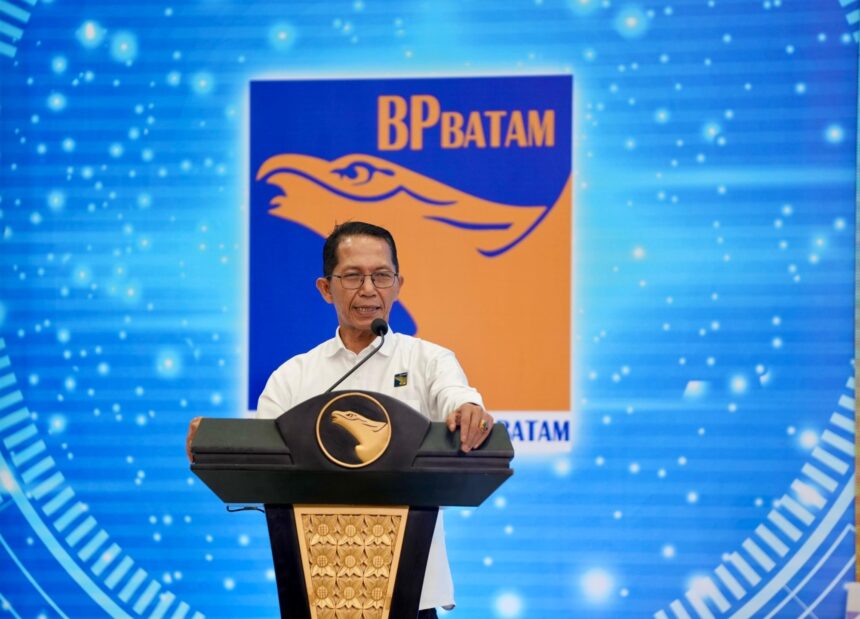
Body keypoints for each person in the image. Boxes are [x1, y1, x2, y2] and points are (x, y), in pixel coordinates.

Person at [187, 221, 494, 617]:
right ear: (326, 288)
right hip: (318, 590)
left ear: (398, 284)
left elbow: (456, 397)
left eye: (381, 275)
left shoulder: (429, 361)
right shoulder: (294, 376)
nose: (368, 289)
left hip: (412, 592)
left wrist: (468, 409)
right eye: (352, 276)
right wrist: (214, 443)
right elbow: (259, 455)